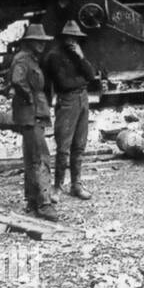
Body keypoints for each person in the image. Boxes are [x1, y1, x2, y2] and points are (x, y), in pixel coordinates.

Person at [43, 21, 97, 202]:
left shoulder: (77, 54)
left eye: (75, 38)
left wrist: (81, 58)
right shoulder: (54, 56)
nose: (73, 41)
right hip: (67, 101)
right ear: (64, 38)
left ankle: (76, 184)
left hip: (82, 99)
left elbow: (91, 75)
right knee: (64, 147)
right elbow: (64, 82)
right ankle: (57, 186)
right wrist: (81, 79)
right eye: (70, 37)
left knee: (79, 145)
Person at [10, 24, 57, 221]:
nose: (41, 45)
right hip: (31, 114)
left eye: (43, 42)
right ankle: (44, 203)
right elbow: (17, 80)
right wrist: (29, 99)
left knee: (31, 157)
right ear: (29, 42)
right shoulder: (23, 59)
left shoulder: (30, 59)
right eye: (38, 41)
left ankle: (31, 199)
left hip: (33, 113)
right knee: (41, 158)